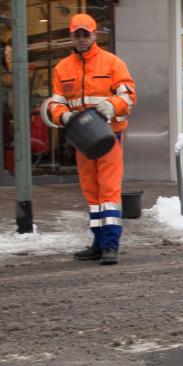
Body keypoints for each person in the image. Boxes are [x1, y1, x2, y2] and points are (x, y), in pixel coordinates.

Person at [47, 14, 134, 266]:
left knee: (108, 190)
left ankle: (110, 246)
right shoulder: (61, 68)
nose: (82, 39)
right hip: (81, 138)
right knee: (92, 194)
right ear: (72, 36)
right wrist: (64, 117)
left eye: (87, 34)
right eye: (78, 34)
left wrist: (111, 106)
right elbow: (55, 103)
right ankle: (98, 243)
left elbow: (128, 96)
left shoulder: (112, 63)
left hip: (109, 135)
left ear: (95, 35)